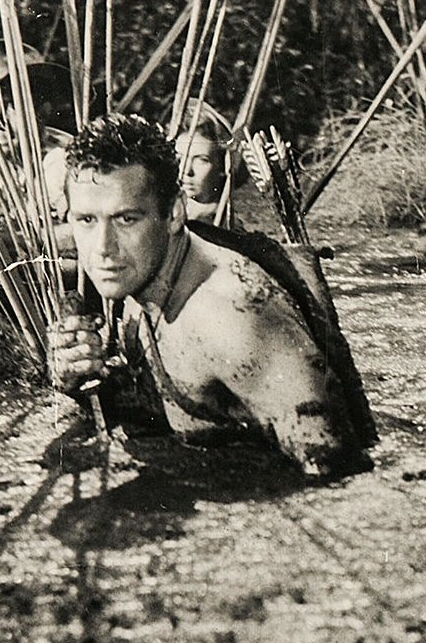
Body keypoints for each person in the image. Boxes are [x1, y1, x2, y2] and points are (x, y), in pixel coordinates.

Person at [49, 114, 373, 477]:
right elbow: (174, 402)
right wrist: (80, 379)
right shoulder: (141, 277)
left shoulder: (234, 322)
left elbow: (342, 475)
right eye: (87, 221)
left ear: (173, 214)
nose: (103, 248)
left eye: (126, 220)